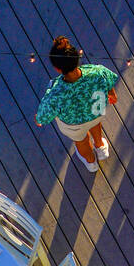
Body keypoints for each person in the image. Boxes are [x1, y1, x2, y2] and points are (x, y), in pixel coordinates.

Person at [35, 37, 118, 174]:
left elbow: (42, 118)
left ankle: (91, 163)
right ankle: (100, 147)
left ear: (57, 68)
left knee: (81, 141)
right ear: (77, 58)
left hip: (73, 125)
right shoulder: (98, 71)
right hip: (96, 112)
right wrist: (112, 94)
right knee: (95, 125)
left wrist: (38, 118)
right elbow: (109, 82)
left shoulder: (55, 92)